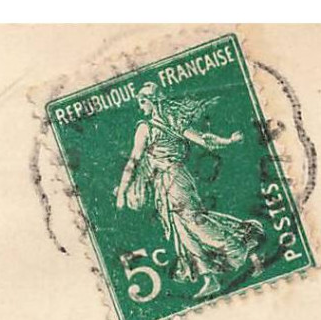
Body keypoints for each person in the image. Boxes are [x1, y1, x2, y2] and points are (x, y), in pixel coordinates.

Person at [113, 82, 264, 300]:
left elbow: (134, 161)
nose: (140, 106)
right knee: (183, 231)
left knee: (195, 224)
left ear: (154, 101)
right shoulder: (164, 123)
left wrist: (228, 141)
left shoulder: (149, 127)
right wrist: (227, 141)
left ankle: (238, 248)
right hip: (165, 185)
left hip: (175, 181)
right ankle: (209, 277)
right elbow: (203, 140)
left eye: (143, 101)